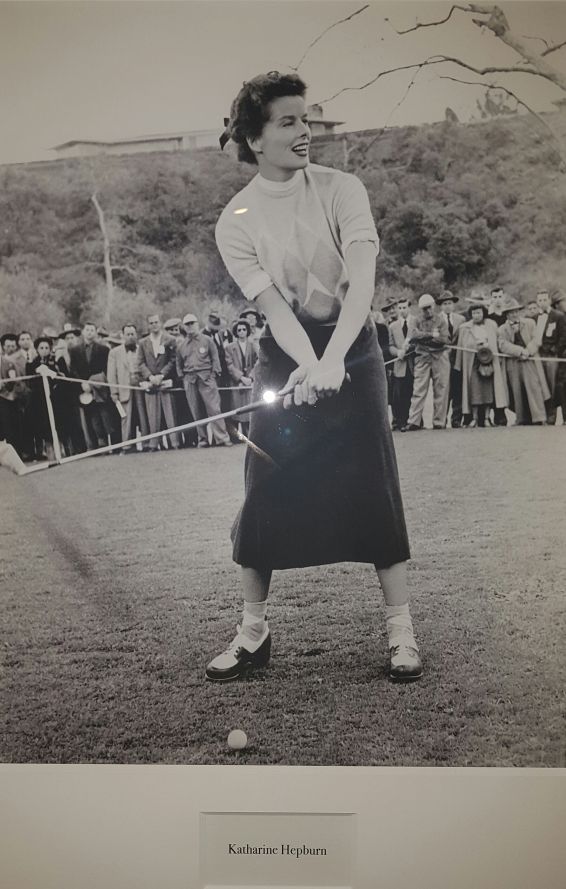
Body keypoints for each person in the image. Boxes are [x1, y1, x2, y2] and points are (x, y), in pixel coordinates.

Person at [211, 70, 420, 683]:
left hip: (354, 346)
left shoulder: (341, 188)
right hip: (287, 354)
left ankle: (401, 633)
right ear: (254, 139)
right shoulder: (235, 220)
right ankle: (253, 635)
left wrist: (334, 362)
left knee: (375, 485)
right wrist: (309, 364)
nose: (305, 133)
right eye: (288, 122)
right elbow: (276, 310)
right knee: (262, 488)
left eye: (305, 119)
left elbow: (363, 283)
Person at [175, 313, 233, 448]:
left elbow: (215, 358)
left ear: (197, 324)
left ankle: (222, 438)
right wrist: (183, 377)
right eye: (187, 324)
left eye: (192, 323)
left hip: (206, 378)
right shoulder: (182, 345)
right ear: (184, 326)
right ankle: (203, 439)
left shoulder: (207, 340)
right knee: (196, 410)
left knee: (214, 408)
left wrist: (213, 374)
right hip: (190, 379)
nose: (190, 327)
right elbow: (178, 363)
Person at [497, 299, 549, 425]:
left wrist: (528, 351)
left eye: (516, 311)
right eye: (511, 312)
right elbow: (503, 345)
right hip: (513, 362)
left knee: (534, 387)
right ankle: (522, 418)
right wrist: (520, 351)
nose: (514, 314)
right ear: (507, 314)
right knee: (517, 389)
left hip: (529, 361)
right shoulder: (502, 329)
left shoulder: (530, 323)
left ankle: (539, 417)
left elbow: (537, 339)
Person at [455, 303, 507, 427]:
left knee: (488, 390)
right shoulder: (465, 328)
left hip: (488, 361)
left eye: (479, 312)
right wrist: (459, 364)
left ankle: (487, 418)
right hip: (472, 362)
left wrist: (489, 348)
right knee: (474, 390)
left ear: (483, 313)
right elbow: (461, 347)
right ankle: (474, 418)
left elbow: (497, 342)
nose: (476, 315)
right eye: (474, 313)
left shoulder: (491, 325)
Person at [403, 294, 450, 431]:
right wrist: (431, 335)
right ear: (420, 309)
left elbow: (444, 339)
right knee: (418, 389)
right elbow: (413, 336)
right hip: (422, 358)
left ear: (434, 306)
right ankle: (414, 421)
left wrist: (422, 336)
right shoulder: (416, 320)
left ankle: (439, 421)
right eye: (424, 309)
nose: (427, 311)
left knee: (440, 389)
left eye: (429, 307)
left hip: (439, 357)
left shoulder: (441, 320)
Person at [137, 314, 181, 451]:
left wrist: (162, 375)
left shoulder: (170, 339)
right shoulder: (143, 343)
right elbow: (140, 362)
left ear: (160, 323)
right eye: (151, 323)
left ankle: (175, 443)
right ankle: (153, 444)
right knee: (152, 415)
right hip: (150, 383)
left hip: (165, 380)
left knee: (170, 413)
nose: (154, 325)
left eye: (156, 322)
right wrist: (150, 377)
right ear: (148, 325)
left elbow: (173, 360)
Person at [69, 321, 114, 450]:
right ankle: (93, 446)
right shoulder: (75, 350)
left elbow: (106, 369)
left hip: (100, 388)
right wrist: (82, 384)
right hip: (84, 390)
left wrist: (95, 382)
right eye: (87, 330)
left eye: (92, 330)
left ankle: (107, 442)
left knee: (104, 416)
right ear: (83, 332)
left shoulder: (104, 349)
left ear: (95, 333)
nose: (89, 332)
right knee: (89, 417)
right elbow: (73, 370)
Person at [107, 324, 151, 452]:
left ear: (136, 335)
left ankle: (147, 443)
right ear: (123, 335)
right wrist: (114, 392)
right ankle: (127, 445)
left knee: (143, 416)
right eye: (128, 334)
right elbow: (111, 374)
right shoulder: (114, 353)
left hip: (140, 386)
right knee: (126, 417)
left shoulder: (141, 349)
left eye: (133, 334)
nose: (130, 337)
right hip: (124, 388)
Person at [534, 289, 566, 424]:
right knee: (542, 385)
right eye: (540, 300)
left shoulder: (558, 316)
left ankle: (552, 415)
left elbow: (563, 336)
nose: (542, 303)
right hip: (538, 355)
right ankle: (544, 414)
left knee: (553, 385)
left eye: (545, 300)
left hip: (552, 356)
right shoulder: (534, 318)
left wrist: (555, 350)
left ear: (549, 301)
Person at [225, 318, 259, 437]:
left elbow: (258, 361)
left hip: (249, 382)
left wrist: (250, 377)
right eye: (239, 330)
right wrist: (240, 378)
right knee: (237, 409)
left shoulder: (253, 345)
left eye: (244, 329)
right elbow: (229, 365)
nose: (242, 332)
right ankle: (237, 437)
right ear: (236, 332)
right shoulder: (229, 347)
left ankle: (250, 435)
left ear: (247, 331)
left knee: (249, 409)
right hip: (237, 383)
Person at [437, 290, 465, 427]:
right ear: (441, 306)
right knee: (443, 389)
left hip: (458, 359)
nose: (447, 306)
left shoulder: (461, 319)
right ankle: (441, 420)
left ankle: (456, 419)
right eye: (445, 304)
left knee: (457, 388)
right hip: (442, 359)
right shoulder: (436, 320)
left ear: (453, 305)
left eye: (450, 303)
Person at [388, 297, 414, 431]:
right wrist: (398, 352)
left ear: (409, 307)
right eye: (400, 308)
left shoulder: (415, 322)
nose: (402, 310)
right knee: (398, 395)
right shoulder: (392, 326)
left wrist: (411, 348)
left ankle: (412, 421)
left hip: (414, 365)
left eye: (405, 307)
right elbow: (390, 346)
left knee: (411, 393)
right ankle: (399, 421)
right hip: (399, 366)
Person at [0, 333, 28, 456]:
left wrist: (11, 394)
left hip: (6, 399)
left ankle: (16, 454)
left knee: (10, 427)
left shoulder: (8, 363)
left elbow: (17, 382)